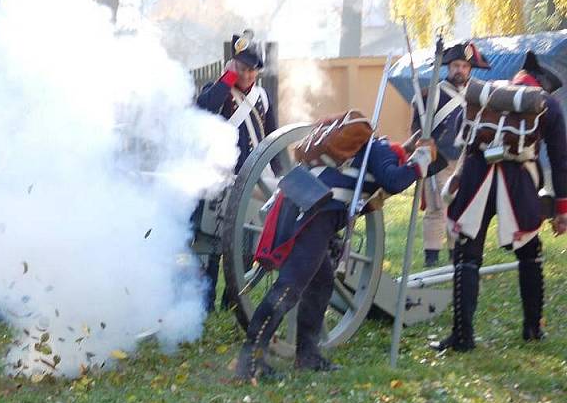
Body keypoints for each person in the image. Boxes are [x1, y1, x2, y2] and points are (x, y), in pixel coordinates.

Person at [234, 120, 437, 380]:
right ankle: (250, 361)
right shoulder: (383, 150)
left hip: (312, 209)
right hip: (315, 213)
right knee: (288, 288)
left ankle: (307, 356)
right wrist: (420, 159)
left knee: (321, 286)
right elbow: (394, 180)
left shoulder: (370, 152)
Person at [430, 50, 567, 352]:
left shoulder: (487, 95)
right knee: (530, 253)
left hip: (477, 175)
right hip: (518, 182)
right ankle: (532, 329)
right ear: (543, 85)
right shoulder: (549, 106)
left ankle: (462, 336)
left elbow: (459, 133)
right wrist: (562, 210)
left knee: (467, 256)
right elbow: (560, 162)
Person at [196, 29, 278, 312]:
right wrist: (227, 79)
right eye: (243, 69)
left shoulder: (262, 98)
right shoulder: (216, 89)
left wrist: (279, 175)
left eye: (252, 70)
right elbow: (201, 110)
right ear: (233, 66)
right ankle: (204, 303)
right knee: (210, 244)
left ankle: (232, 300)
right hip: (217, 179)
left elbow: (273, 137)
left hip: (250, 180)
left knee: (243, 244)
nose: (248, 75)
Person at [412, 41, 491, 267]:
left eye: (465, 67)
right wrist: (424, 148)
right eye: (456, 65)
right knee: (437, 207)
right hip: (439, 159)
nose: (460, 70)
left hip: (466, 158)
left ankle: (455, 252)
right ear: (448, 67)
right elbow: (417, 126)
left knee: (460, 207)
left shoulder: (476, 95)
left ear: (470, 70)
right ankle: (432, 255)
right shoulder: (432, 94)